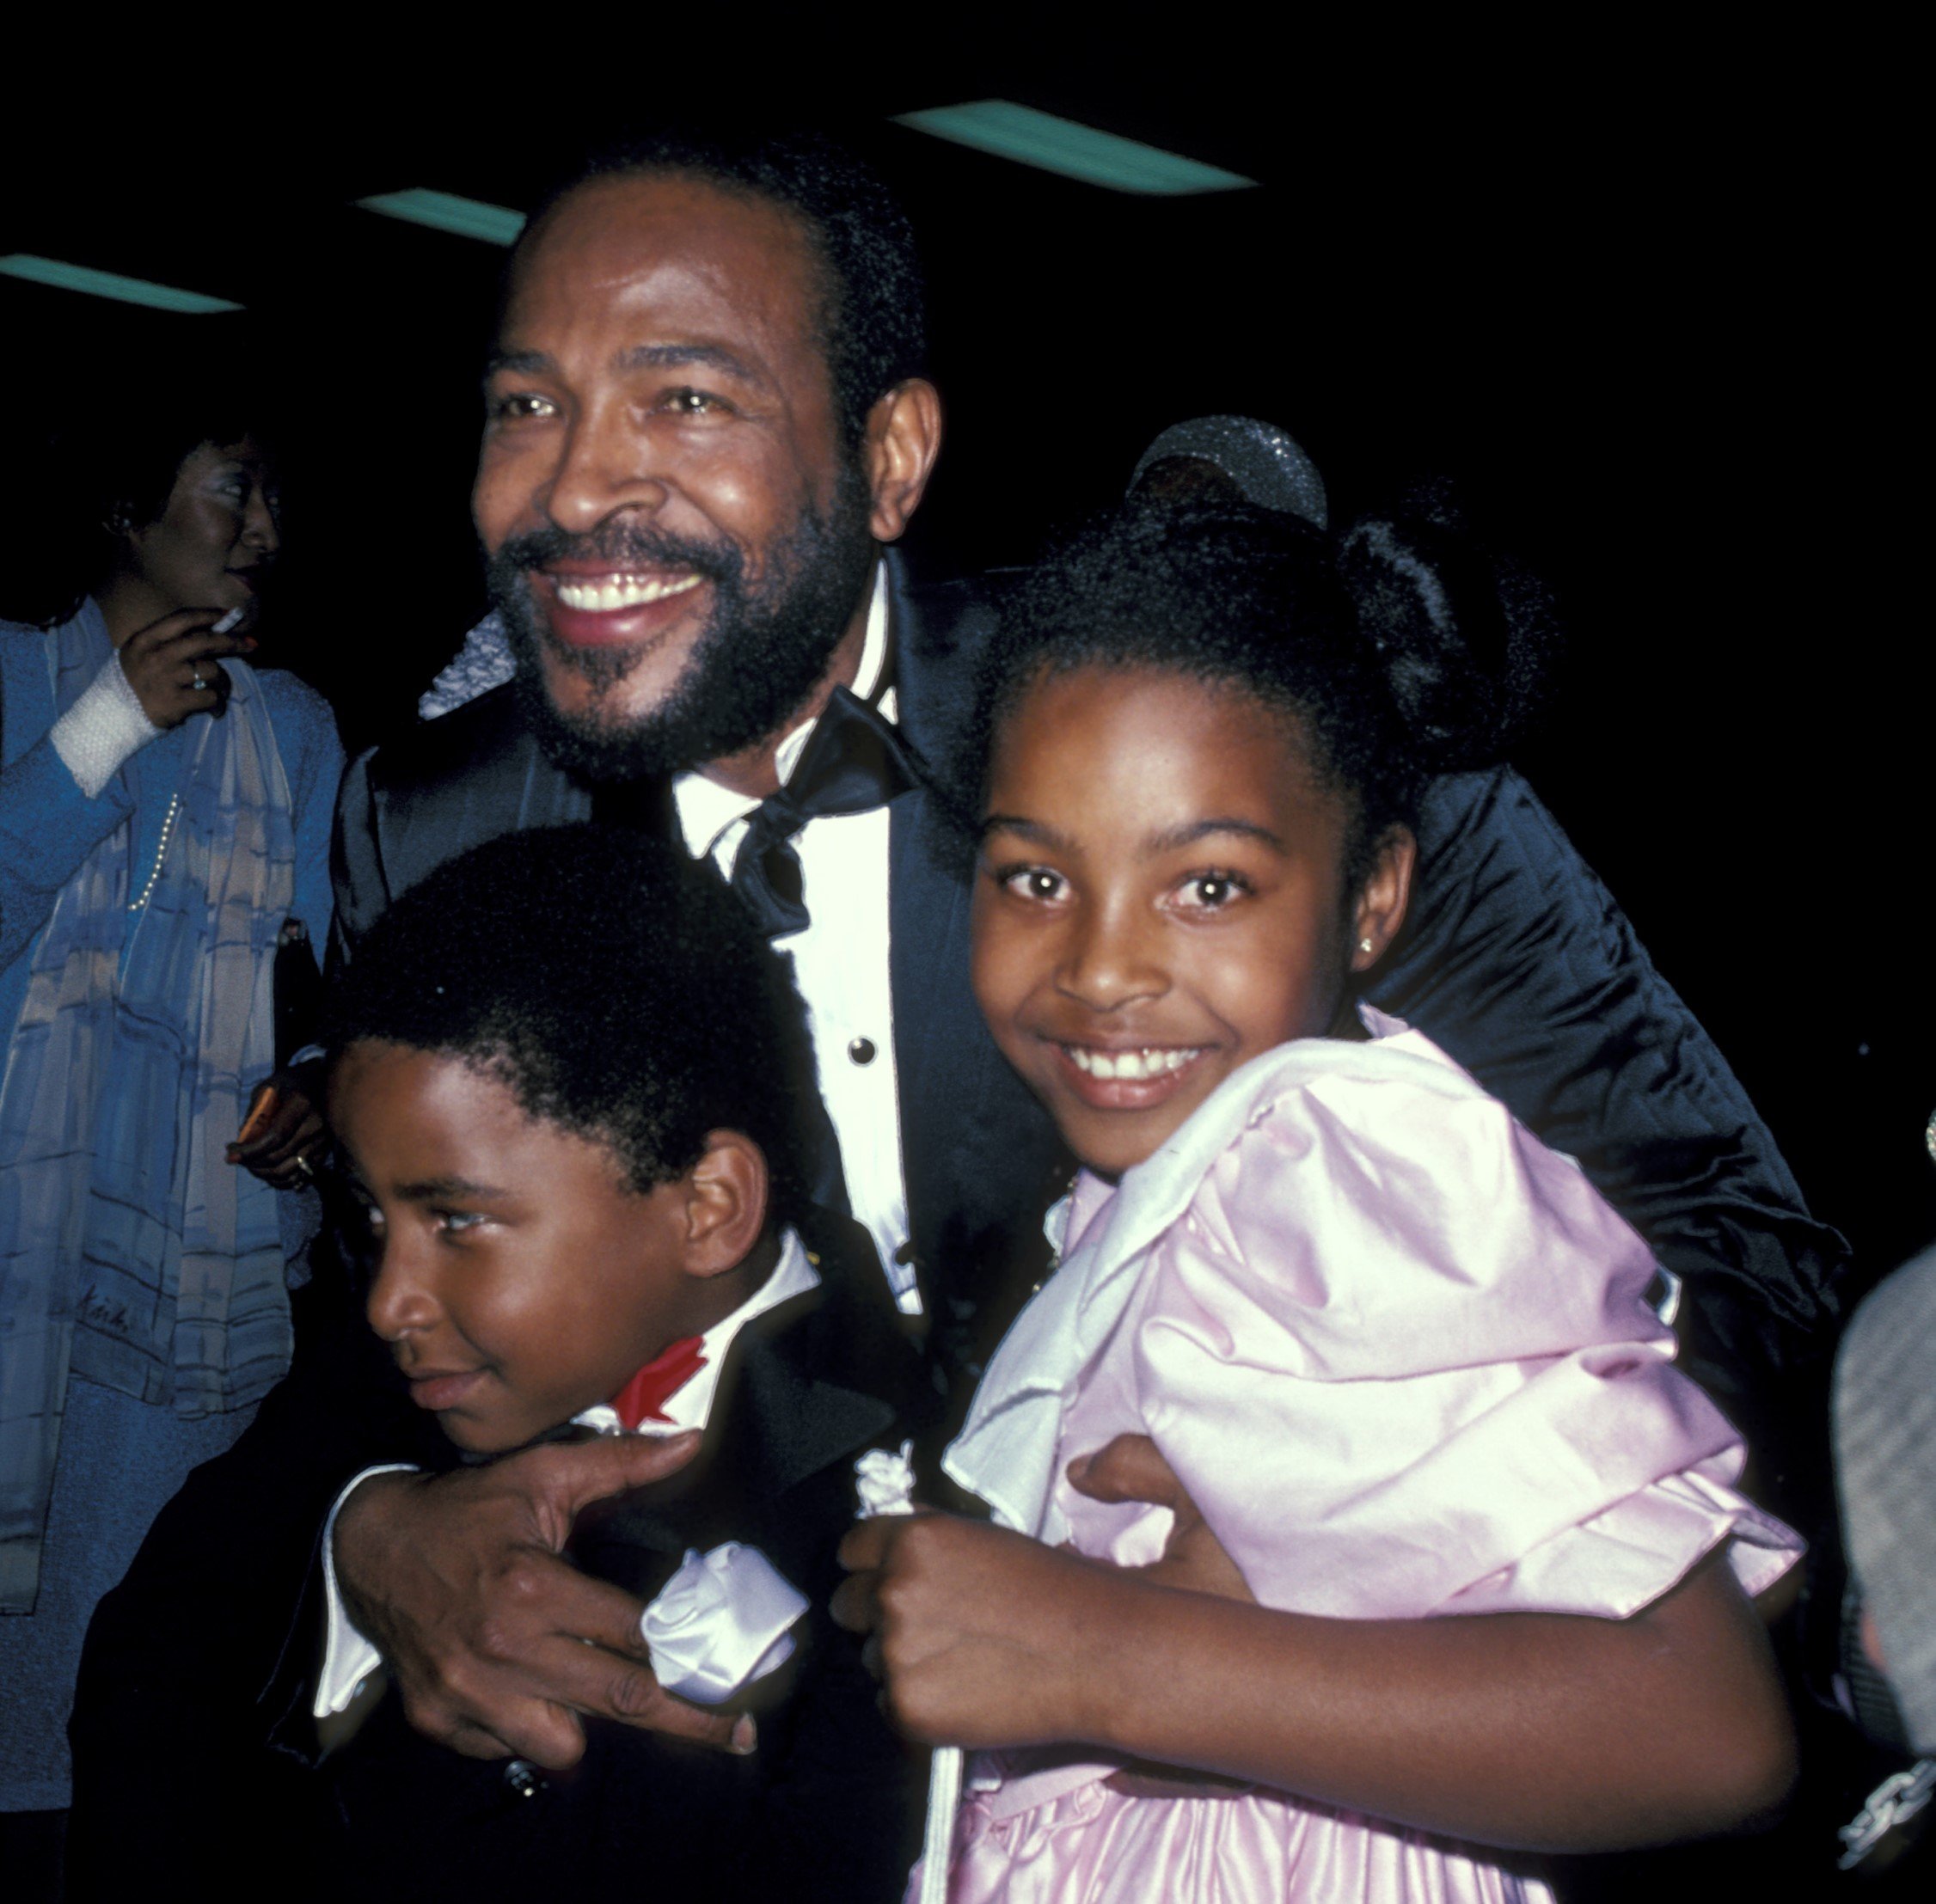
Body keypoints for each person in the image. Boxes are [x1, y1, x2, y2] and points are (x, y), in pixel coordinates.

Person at [74, 128, 1837, 1863]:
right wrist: (373, 1532)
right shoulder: (435, 818)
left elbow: (1734, 1254)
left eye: (684, 398)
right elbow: (395, 1319)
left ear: (890, 456)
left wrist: (1353, 1573)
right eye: (526, 405)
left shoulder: (1221, 746)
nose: (577, 489)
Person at [835, 499, 1801, 1901]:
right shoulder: (1179, 1173)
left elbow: (1708, 1727)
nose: (1099, 969)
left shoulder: (1332, 1167)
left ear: (1371, 897)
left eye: (1207, 886)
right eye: (1036, 876)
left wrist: (1104, 1657)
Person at [299, 823, 916, 1901]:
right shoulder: (374, 1403)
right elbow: (158, 1657)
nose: (388, 1301)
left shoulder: (896, 1503)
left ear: (707, 1208)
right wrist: (365, 1533)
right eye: (372, 1216)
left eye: (455, 1220)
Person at [0, 357, 342, 1866]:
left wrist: (318, 1082)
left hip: (180, 1294)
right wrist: (103, 729)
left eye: (274, 493)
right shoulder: (18, 677)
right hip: (19, 1264)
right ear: (125, 508)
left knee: (131, 1691)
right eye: (233, 488)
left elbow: (324, 976)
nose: (266, 526)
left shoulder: (298, 728)